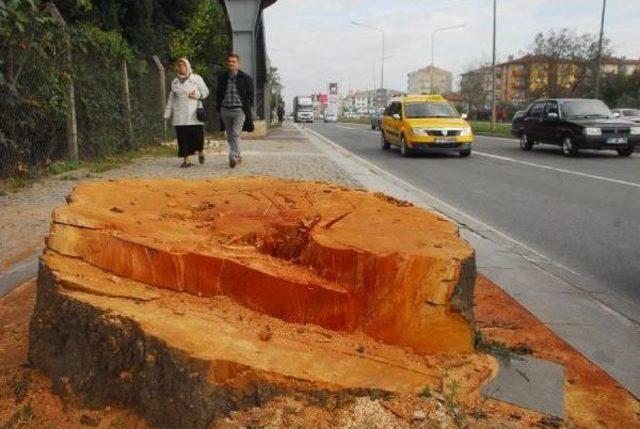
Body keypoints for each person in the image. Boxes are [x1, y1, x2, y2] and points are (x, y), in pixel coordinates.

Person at [164, 58, 209, 168]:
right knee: (182, 137)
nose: (181, 67)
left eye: (183, 65)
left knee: (197, 137)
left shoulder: (196, 78)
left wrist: (196, 96)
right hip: (180, 114)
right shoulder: (175, 82)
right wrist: (167, 113)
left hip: (194, 113)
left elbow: (205, 92)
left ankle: (201, 151)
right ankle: (187, 160)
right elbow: (171, 98)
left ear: (188, 66)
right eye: (179, 65)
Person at [216, 53, 254, 168]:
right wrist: (219, 106)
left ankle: (233, 157)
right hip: (225, 109)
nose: (231, 63)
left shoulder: (245, 78)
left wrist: (246, 106)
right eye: (230, 61)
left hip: (239, 110)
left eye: (233, 62)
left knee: (236, 133)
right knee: (229, 136)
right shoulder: (223, 77)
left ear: (238, 63)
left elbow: (250, 95)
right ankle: (237, 155)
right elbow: (218, 93)